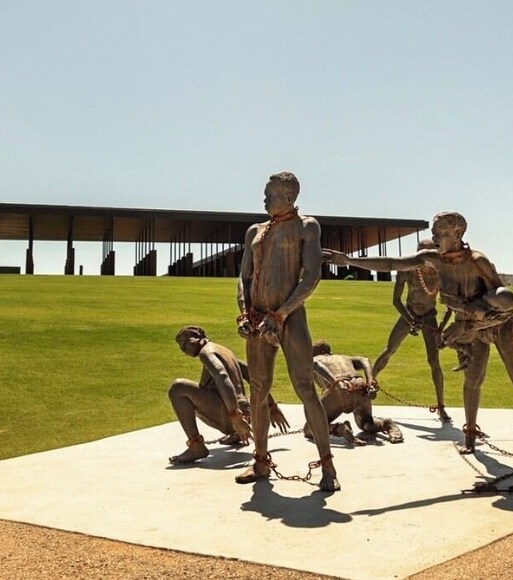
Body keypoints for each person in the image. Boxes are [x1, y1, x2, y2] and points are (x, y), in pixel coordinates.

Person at [324, 211, 513, 468]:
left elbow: (503, 305)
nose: (435, 238)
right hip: (472, 330)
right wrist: (350, 260)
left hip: (500, 327)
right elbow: (392, 264)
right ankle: (470, 436)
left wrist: (465, 325)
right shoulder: (432, 259)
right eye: (434, 233)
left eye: (441, 233)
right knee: (472, 383)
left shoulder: (478, 261)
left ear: (458, 234)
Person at [235, 171, 340, 492]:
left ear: (290, 197)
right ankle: (260, 460)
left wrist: (281, 314)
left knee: (305, 388)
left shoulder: (307, 227)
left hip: (290, 318)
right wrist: (244, 313)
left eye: (270, 195)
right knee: (258, 390)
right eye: (266, 194)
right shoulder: (255, 231)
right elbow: (244, 278)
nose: (264, 200)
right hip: (257, 318)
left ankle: (327, 465)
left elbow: (311, 276)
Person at [167, 326, 289, 464]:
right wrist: (271, 406)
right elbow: (251, 375)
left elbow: (222, 376)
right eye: (181, 346)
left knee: (177, 388)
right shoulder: (222, 350)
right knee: (206, 389)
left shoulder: (206, 353)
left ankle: (196, 445)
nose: (184, 349)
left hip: (232, 417)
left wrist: (236, 416)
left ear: (199, 336)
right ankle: (236, 434)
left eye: (185, 342)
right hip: (245, 415)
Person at [371, 238, 451, 422]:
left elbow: (450, 305)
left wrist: (440, 328)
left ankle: (441, 406)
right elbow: (396, 300)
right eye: (422, 252)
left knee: (434, 361)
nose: (425, 257)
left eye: (430, 252)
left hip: (429, 317)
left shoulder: (442, 274)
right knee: (389, 350)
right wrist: (411, 320)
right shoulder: (407, 270)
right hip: (409, 313)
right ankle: (368, 384)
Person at [310, 340, 404, 445]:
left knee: (310, 428)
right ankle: (385, 424)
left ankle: (338, 428)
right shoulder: (343, 358)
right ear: (330, 352)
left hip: (339, 388)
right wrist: (370, 383)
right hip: (360, 385)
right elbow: (364, 360)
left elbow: (309, 377)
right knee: (366, 424)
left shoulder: (314, 360)